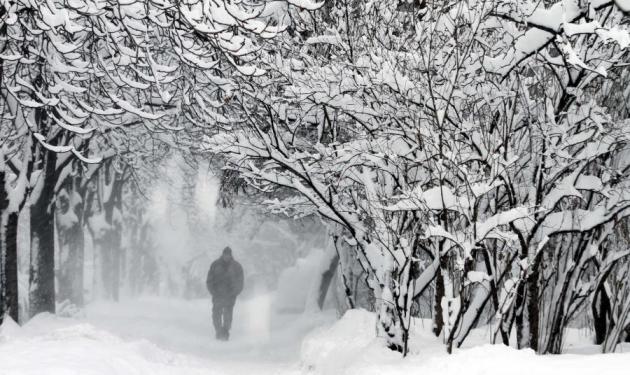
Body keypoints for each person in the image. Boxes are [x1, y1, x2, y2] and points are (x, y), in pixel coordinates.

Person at [206, 246, 244, 340]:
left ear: (231, 255)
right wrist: (213, 292)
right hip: (217, 295)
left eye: (228, 255)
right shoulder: (215, 265)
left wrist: (234, 293)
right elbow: (209, 280)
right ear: (222, 254)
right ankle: (218, 331)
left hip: (230, 296)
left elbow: (240, 282)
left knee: (228, 314)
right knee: (216, 314)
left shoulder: (237, 266)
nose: (226, 256)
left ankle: (225, 332)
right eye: (225, 254)